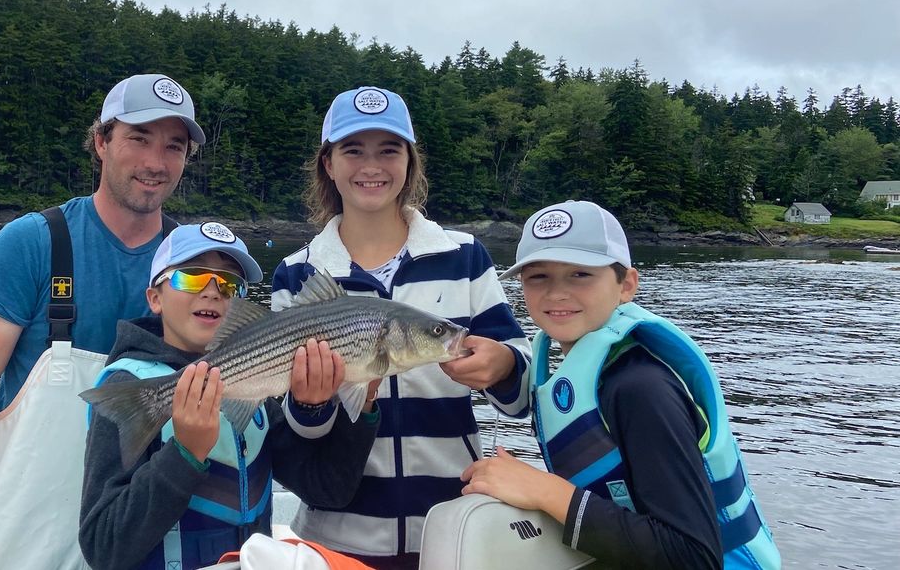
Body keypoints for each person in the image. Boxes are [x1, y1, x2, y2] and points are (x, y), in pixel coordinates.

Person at [0, 74, 207, 570]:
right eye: (138, 138)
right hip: (22, 543)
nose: (155, 163)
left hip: (144, 544)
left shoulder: (199, 264)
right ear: (100, 142)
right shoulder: (31, 244)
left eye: (173, 147)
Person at [271, 86, 533, 569]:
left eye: (389, 150)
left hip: (453, 528)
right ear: (328, 164)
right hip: (337, 533)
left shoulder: (464, 256)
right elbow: (296, 428)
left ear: (410, 162)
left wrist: (503, 366)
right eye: (353, 150)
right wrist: (310, 404)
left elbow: (521, 398)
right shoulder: (297, 273)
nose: (372, 166)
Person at [460, 200, 781, 569]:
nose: (556, 293)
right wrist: (502, 368)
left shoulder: (641, 389)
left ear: (626, 285)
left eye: (580, 274)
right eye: (538, 277)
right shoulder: (572, 365)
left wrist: (544, 490)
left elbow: (693, 557)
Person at [80, 222, 381, 570]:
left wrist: (360, 405)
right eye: (191, 276)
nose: (213, 291)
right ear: (155, 297)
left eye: (229, 283)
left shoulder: (258, 392)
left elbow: (328, 490)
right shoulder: (129, 385)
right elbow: (103, 547)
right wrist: (185, 454)